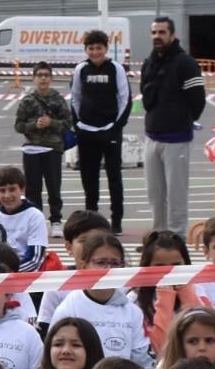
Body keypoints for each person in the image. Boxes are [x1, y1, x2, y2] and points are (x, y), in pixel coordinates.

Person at [139, 16, 206, 235]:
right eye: (154, 32)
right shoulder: (149, 63)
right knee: (155, 193)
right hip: (152, 137)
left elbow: (198, 100)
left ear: (172, 35)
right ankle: (159, 235)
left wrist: (182, 119)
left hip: (177, 139)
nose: (157, 36)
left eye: (162, 32)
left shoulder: (185, 63)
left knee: (176, 194)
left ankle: (177, 237)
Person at [70, 29, 130, 224]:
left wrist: (115, 127)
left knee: (114, 177)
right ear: (86, 50)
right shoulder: (81, 69)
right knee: (89, 178)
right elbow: (75, 98)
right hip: (86, 132)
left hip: (110, 131)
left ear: (106, 48)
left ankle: (117, 220)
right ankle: (92, 219)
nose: (95, 52)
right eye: (91, 48)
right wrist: (78, 125)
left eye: (99, 48)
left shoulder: (116, 69)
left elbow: (125, 99)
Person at [11, 62, 72, 214]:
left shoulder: (58, 99)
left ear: (50, 78)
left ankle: (56, 219)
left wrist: (52, 123)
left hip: (53, 148)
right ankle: (35, 218)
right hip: (32, 149)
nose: (43, 79)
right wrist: (34, 125)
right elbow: (18, 126)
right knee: (32, 189)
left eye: (46, 75)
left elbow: (68, 123)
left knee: (54, 187)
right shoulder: (27, 100)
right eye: (39, 75)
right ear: (34, 79)